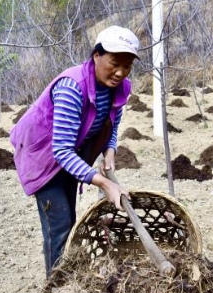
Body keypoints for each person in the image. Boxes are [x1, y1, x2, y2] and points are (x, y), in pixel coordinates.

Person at [10, 25, 140, 278]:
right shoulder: (73, 86)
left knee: (66, 221)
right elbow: (61, 150)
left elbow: (111, 122)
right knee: (59, 225)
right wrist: (104, 184)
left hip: (71, 154)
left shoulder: (120, 88)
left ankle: (63, 278)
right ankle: (54, 291)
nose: (120, 72)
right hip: (43, 156)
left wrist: (110, 151)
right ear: (96, 56)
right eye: (114, 63)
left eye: (127, 66)